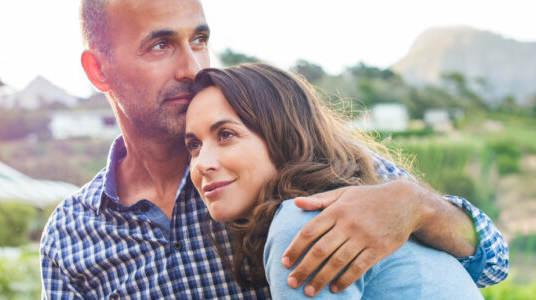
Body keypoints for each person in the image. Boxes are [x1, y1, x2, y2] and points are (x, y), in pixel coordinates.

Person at [41, 0, 508, 298]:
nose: (192, 66)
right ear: (98, 71)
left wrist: (416, 206)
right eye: (161, 45)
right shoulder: (70, 235)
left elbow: (492, 262)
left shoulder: (285, 167)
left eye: (199, 40)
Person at [184, 63, 484, 299]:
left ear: (282, 137)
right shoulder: (349, 201)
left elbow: (495, 263)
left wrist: (418, 203)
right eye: (194, 146)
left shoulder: (304, 222)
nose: (203, 164)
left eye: (226, 135)